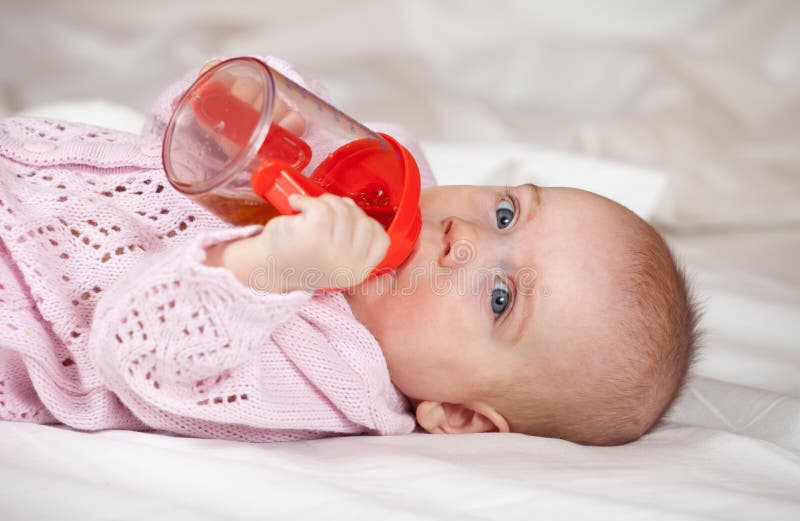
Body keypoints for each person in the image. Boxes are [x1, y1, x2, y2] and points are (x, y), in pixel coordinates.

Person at [0, 56, 699, 445]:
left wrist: (276, 272)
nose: (467, 238)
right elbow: (175, 136)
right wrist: (262, 113)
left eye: (499, 296)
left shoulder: (328, 383)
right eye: (507, 214)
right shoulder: (388, 180)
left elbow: (138, 353)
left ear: (456, 414)